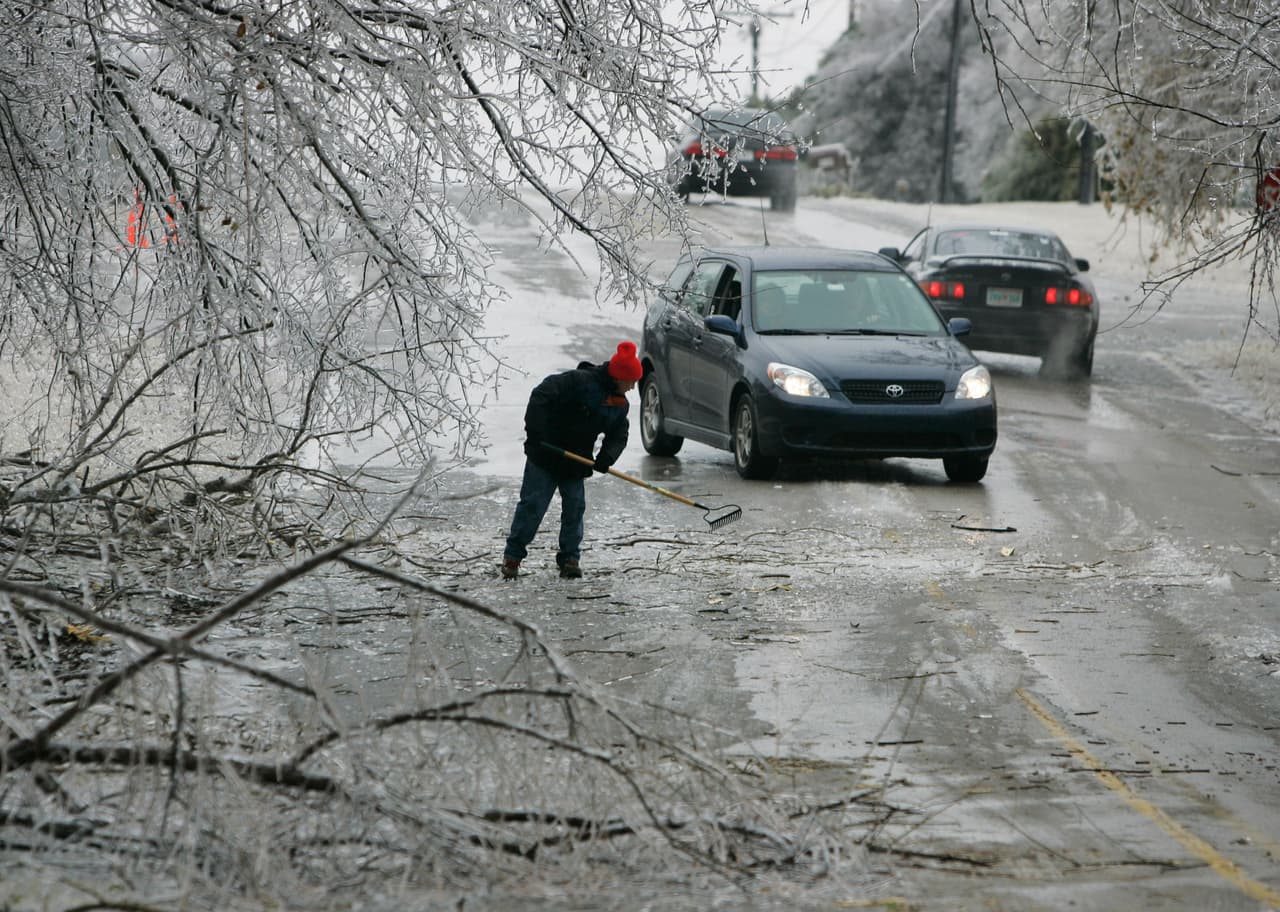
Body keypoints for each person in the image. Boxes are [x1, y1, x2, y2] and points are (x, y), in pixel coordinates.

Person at [500, 341, 643, 580]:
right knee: (533, 506)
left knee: (575, 509)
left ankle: (570, 559)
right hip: (545, 455)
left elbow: (619, 434)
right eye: (631, 381)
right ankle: (513, 556)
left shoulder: (619, 405)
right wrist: (536, 433)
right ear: (619, 377)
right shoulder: (578, 382)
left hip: (576, 462)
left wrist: (606, 457)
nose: (632, 387)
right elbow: (541, 395)